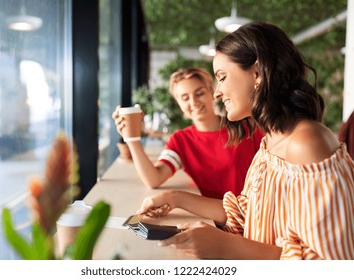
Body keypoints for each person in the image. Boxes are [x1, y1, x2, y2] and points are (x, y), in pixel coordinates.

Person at [136, 22, 354, 260]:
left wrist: (226, 246)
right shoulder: (270, 140)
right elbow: (247, 213)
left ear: (257, 73)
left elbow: (330, 265)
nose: (217, 92)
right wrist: (174, 198)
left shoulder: (308, 143)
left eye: (222, 77)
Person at [112, 67, 263, 199]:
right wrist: (131, 138)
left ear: (212, 92)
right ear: (179, 104)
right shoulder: (181, 140)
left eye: (199, 93)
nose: (194, 102)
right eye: (185, 98)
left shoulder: (247, 127)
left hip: (248, 218)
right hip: (209, 218)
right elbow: (154, 179)